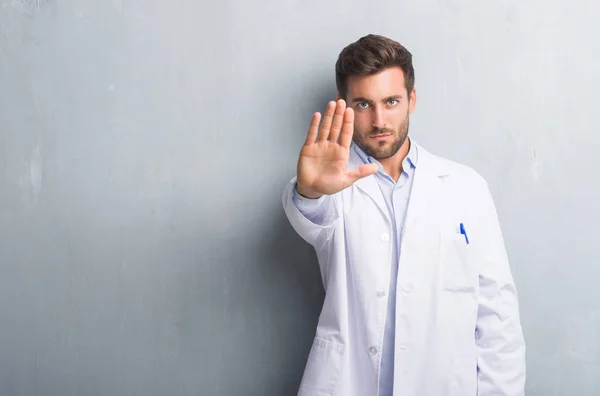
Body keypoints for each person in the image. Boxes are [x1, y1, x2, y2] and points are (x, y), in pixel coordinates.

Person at [281, 34, 526, 396]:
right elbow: (310, 216)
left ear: (411, 99)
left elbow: (497, 316)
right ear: (344, 106)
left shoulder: (465, 187)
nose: (379, 120)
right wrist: (311, 190)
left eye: (391, 102)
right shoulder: (333, 186)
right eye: (363, 104)